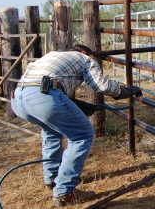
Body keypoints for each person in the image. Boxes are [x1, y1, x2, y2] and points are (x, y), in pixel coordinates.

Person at [11, 44, 142, 207]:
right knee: (82, 135)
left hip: (19, 99)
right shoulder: (85, 58)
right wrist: (125, 91)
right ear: (86, 53)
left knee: (52, 132)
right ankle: (65, 191)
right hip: (44, 96)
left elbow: (48, 86)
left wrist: (75, 104)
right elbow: (101, 85)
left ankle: (52, 180)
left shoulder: (52, 55)